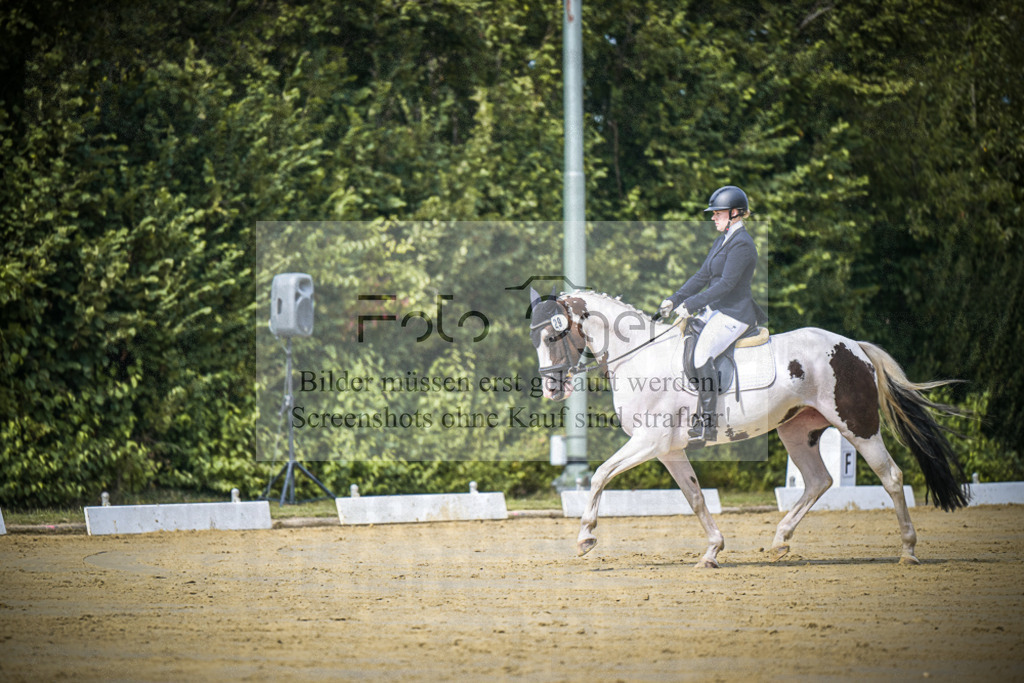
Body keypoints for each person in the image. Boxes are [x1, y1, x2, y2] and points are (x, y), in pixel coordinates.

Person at [658, 185, 766, 447]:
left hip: (734, 313)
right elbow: (703, 276)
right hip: (717, 310)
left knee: (702, 353)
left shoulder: (743, 244)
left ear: (734, 213)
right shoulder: (723, 239)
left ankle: (707, 423)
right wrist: (675, 299)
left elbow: (725, 285)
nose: (712, 217)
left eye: (717, 213)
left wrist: (691, 304)